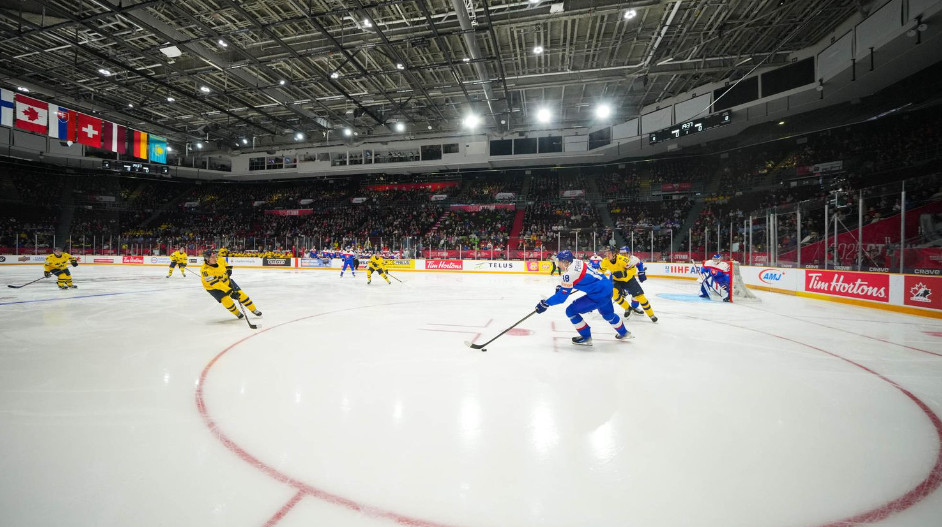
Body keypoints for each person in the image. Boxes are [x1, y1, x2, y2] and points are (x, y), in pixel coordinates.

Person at [534, 250, 630, 346]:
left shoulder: (569, 275)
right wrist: (562, 286)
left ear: (565, 262)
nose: (558, 265)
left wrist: (546, 303)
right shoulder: (577, 261)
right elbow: (580, 278)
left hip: (598, 294)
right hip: (607, 287)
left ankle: (586, 337)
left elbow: (561, 298)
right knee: (608, 314)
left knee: (570, 311)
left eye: (558, 262)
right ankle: (624, 333)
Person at [200, 249, 262, 319]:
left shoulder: (220, 259)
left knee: (241, 295)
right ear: (207, 259)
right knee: (226, 300)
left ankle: (254, 309)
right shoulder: (205, 271)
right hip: (214, 288)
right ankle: (237, 313)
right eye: (212, 257)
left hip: (226, 281)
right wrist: (230, 290)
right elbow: (216, 284)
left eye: (215, 256)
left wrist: (228, 269)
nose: (215, 258)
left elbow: (224, 263)